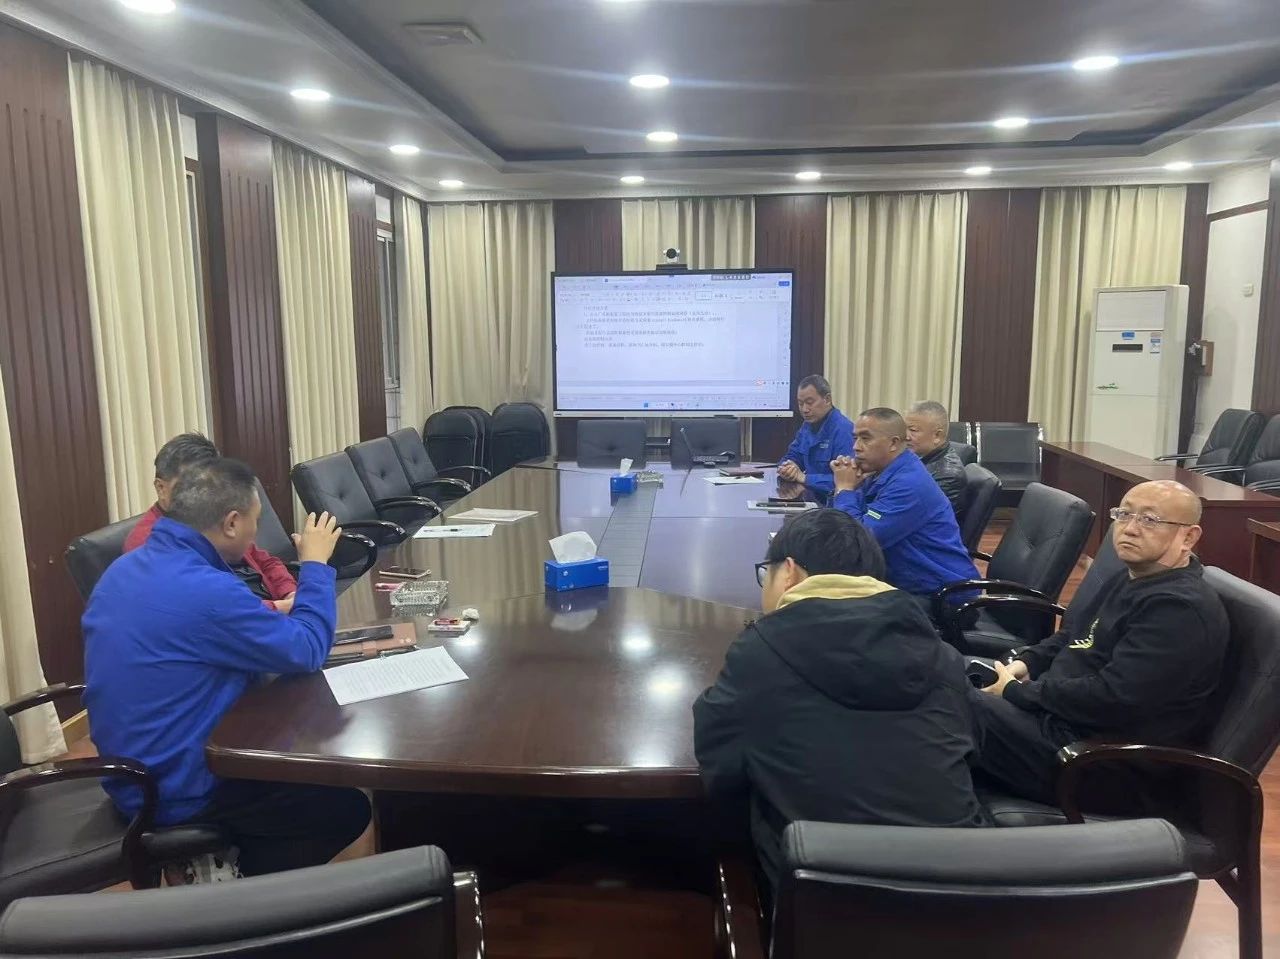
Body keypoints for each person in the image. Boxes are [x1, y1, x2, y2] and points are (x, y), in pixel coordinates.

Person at [83, 457, 371, 877]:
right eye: (256, 520)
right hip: (177, 788)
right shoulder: (204, 589)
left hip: (131, 773)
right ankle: (237, 892)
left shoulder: (125, 569)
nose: (257, 531)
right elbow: (308, 648)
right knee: (345, 807)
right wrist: (315, 565)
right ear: (232, 523)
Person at [693, 508, 988, 893]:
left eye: (766, 573)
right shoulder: (943, 657)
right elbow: (971, 751)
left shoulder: (760, 655)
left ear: (789, 572)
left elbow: (720, 767)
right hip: (963, 900)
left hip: (821, 902)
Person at [970, 480, 1229, 805]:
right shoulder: (1133, 576)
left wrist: (1018, 692)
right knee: (943, 677)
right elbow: (1074, 634)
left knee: (950, 704)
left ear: (1188, 537)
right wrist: (1028, 662)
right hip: (1060, 722)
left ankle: (952, 821)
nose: (1130, 529)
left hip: (1096, 760)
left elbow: (1114, 697)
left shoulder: (1178, 610)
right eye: (1124, 515)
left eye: (1149, 520)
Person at [125, 433, 298, 613]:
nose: (201, 492)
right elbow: (202, 606)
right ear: (161, 488)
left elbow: (265, 561)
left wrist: (290, 593)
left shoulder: (214, 515)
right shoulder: (147, 543)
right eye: (188, 485)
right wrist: (280, 608)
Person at [831, 408, 979, 607]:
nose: (856, 447)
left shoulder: (909, 483)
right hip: (908, 585)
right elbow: (844, 523)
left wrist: (845, 490)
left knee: (835, 611)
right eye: (855, 438)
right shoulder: (882, 472)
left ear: (893, 443)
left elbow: (856, 542)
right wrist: (849, 487)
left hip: (942, 597)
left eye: (865, 438)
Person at [777, 374, 854, 495]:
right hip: (809, 496)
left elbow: (847, 481)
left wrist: (805, 478)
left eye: (809, 402)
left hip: (831, 501)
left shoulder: (843, 430)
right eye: (800, 403)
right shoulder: (807, 425)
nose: (804, 409)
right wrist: (787, 468)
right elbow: (792, 456)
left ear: (827, 399)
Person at [904, 400, 968, 516]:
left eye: (913, 430)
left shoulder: (947, 475)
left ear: (937, 435)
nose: (906, 436)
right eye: (905, 429)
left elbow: (910, 513)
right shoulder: (919, 457)